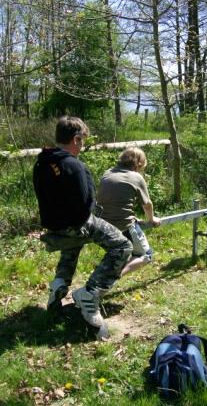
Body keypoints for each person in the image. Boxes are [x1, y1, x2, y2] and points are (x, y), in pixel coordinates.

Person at [33, 116, 133, 339]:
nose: (83, 145)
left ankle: (59, 284)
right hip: (75, 224)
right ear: (76, 139)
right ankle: (90, 293)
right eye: (83, 140)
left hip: (53, 227)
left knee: (74, 243)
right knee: (123, 246)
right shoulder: (74, 165)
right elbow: (85, 202)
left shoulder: (42, 162)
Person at [97, 147, 161, 275]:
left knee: (119, 254)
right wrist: (151, 219)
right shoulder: (136, 177)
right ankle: (114, 275)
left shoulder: (108, 172)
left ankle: (108, 273)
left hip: (102, 226)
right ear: (139, 164)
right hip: (124, 226)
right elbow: (147, 204)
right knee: (146, 255)